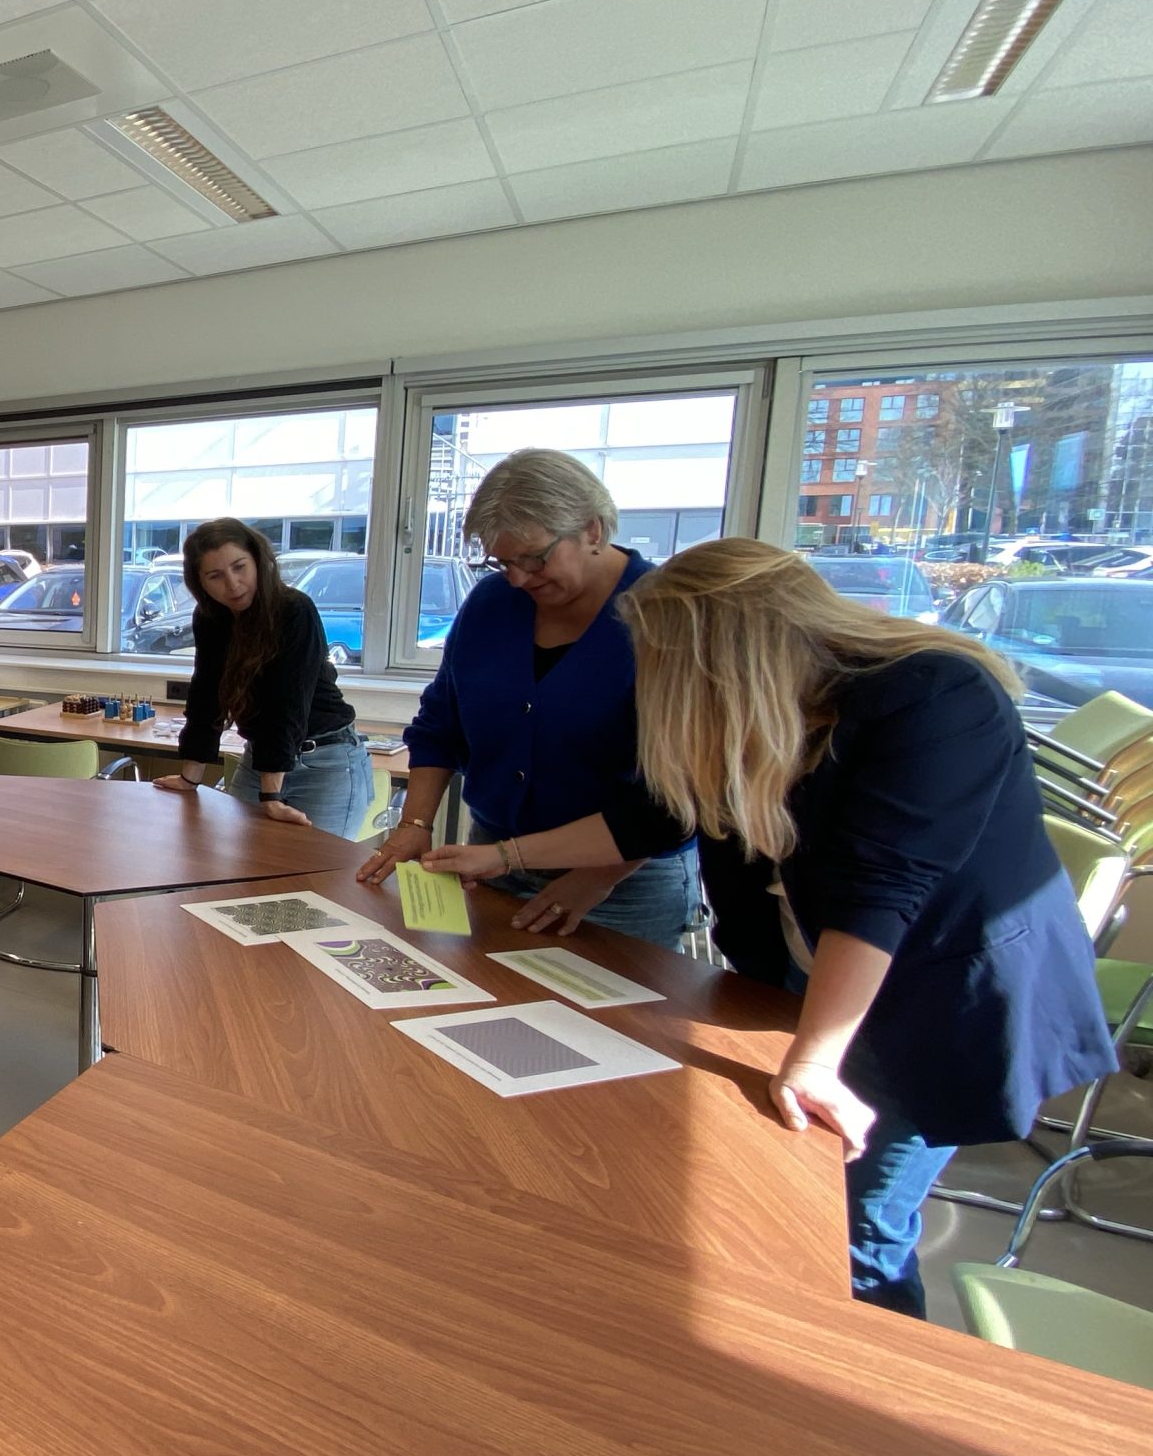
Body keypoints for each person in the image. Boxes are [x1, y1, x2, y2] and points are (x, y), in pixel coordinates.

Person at [424, 540, 1112, 1317]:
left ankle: (858, 1380)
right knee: (758, 1193)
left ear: (736, 652)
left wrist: (813, 1059)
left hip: (930, 1005)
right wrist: (502, 855)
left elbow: (882, 888)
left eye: (668, 662)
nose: (656, 682)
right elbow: (655, 815)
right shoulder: (747, 708)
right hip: (800, 973)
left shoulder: (935, 695)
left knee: (849, 1228)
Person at [361, 447, 696, 945]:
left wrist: (597, 878)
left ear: (592, 530)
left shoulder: (668, 616)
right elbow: (440, 723)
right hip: (491, 858)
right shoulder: (492, 603)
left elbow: (678, 795)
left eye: (534, 559)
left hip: (622, 881)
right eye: (502, 563)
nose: (518, 578)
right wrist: (415, 822)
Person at [153, 516, 372, 835]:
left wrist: (271, 796)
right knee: (241, 861)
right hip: (261, 759)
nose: (232, 584)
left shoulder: (294, 610)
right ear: (199, 583)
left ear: (258, 561)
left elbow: (287, 703)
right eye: (215, 576)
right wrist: (190, 776)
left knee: (316, 867)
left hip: (326, 761)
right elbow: (207, 694)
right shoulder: (210, 618)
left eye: (239, 567)